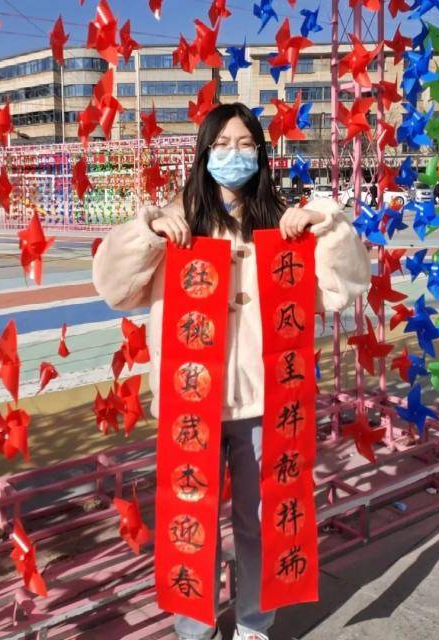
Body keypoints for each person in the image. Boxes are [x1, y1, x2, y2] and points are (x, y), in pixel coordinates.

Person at [92, 102, 371, 640]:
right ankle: (193, 628)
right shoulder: (176, 223)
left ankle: (253, 623)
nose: (233, 156)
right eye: (221, 145)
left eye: (245, 145)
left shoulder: (283, 225)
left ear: (262, 154)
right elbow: (112, 287)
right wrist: (147, 228)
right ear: (203, 154)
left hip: (266, 405)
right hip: (190, 403)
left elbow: (342, 290)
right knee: (188, 518)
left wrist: (327, 223)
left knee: (261, 521)